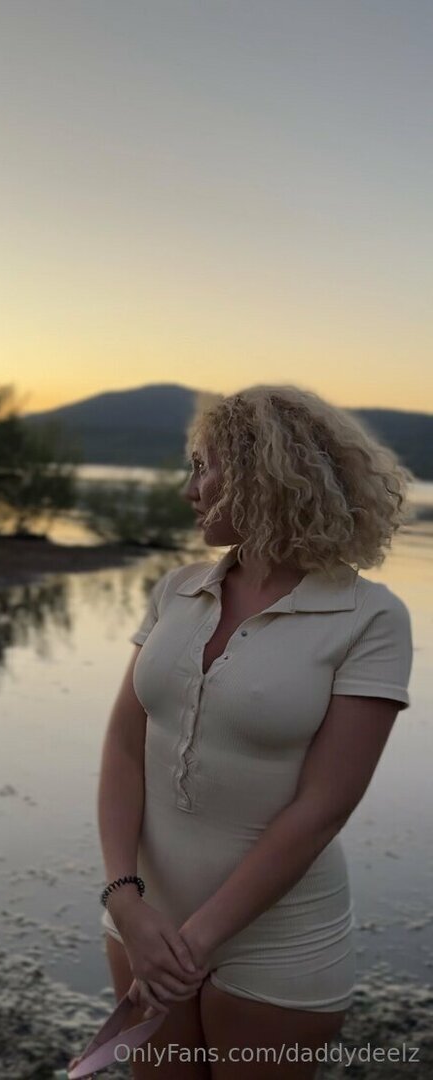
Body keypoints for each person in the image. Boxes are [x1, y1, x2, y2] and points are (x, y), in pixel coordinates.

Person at [96, 384, 414, 1079]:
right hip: (145, 918)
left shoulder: (369, 618)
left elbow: (322, 807)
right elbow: (124, 748)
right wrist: (123, 897)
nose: (189, 490)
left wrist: (198, 941)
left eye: (202, 467)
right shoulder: (176, 590)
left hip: (280, 941)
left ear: (261, 475)